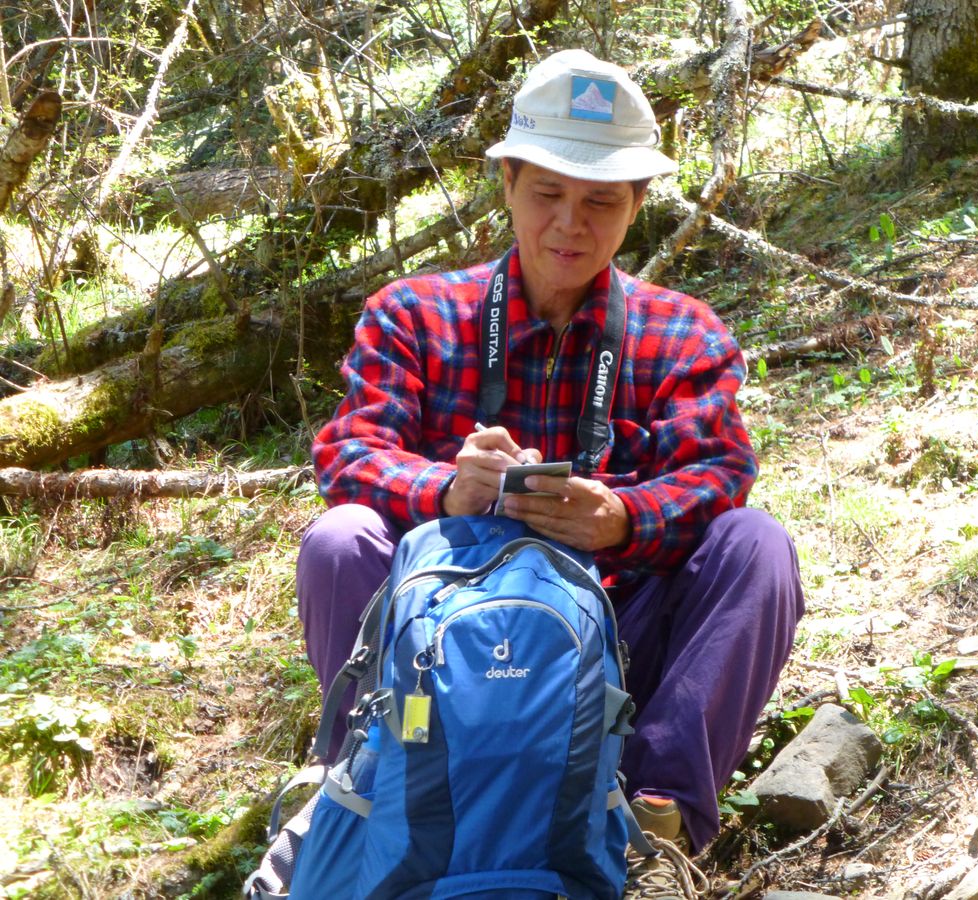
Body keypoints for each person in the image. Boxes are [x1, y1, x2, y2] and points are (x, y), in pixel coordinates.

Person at [296, 48, 804, 899]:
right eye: (548, 195)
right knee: (338, 539)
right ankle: (373, 793)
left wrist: (625, 519)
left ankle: (654, 823)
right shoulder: (416, 315)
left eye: (600, 201)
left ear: (636, 206)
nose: (570, 224)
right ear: (507, 185)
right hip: (440, 645)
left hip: (616, 629)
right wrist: (444, 492)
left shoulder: (680, 333)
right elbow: (349, 453)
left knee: (757, 546)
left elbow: (720, 471)